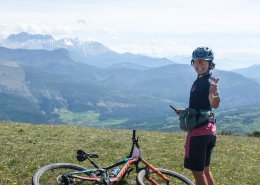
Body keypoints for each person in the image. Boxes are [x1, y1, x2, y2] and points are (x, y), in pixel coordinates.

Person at [178, 46, 220, 185]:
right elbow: (203, 106)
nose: (199, 65)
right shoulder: (201, 80)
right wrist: (185, 111)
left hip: (199, 134)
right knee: (206, 171)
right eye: (196, 62)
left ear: (210, 64)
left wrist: (215, 94)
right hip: (209, 131)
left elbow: (214, 104)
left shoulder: (209, 82)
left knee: (198, 174)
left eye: (203, 62)